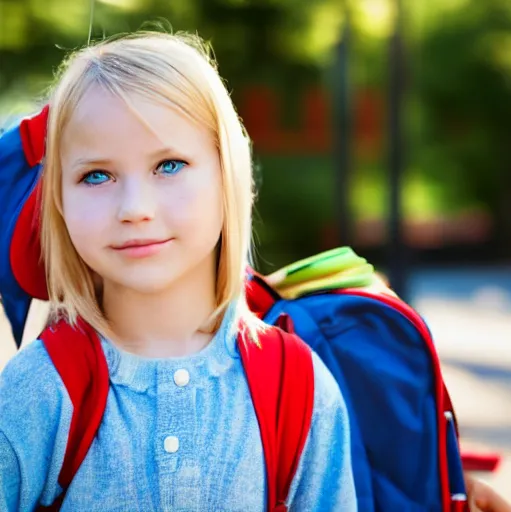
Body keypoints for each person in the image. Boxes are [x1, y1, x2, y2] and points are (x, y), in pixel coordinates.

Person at [0, 32, 357, 510]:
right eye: (96, 175)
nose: (135, 208)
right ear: (59, 201)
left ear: (227, 176)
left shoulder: (299, 388)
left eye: (169, 165)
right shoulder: (34, 396)